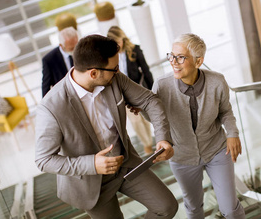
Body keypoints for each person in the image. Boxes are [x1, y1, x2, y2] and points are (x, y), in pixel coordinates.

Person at [35, 34, 178, 219]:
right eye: (114, 68)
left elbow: (150, 100)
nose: (118, 71)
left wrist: (162, 137)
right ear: (93, 73)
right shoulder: (51, 107)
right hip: (89, 182)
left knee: (167, 207)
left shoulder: (114, 78)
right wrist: (92, 164)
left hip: (126, 165)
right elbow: (43, 160)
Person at [152, 33, 245, 219]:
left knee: (230, 210)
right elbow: (156, 118)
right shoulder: (162, 86)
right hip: (182, 157)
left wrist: (232, 133)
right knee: (194, 208)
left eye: (180, 57)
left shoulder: (217, 81)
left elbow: (225, 111)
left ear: (198, 61)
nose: (173, 61)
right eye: (172, 55)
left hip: (217, 151)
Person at [107, 25, 154, 154]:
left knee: (144, 119)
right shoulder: (109, 56)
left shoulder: (134, 50)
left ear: (122, 39)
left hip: (138, 90)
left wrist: (152, 89)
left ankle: (149, 143)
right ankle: (147, 144)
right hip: (123, 94)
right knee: (135, 121)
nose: (117, 46)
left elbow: (146, 70)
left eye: (118, 42)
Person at [41, 27, 78, 97]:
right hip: (65, 97)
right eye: (71, 48)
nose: (75, 50)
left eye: (76, 45)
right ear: (61, 45)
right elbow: (46, 86)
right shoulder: (49, 60)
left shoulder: (82, 49)